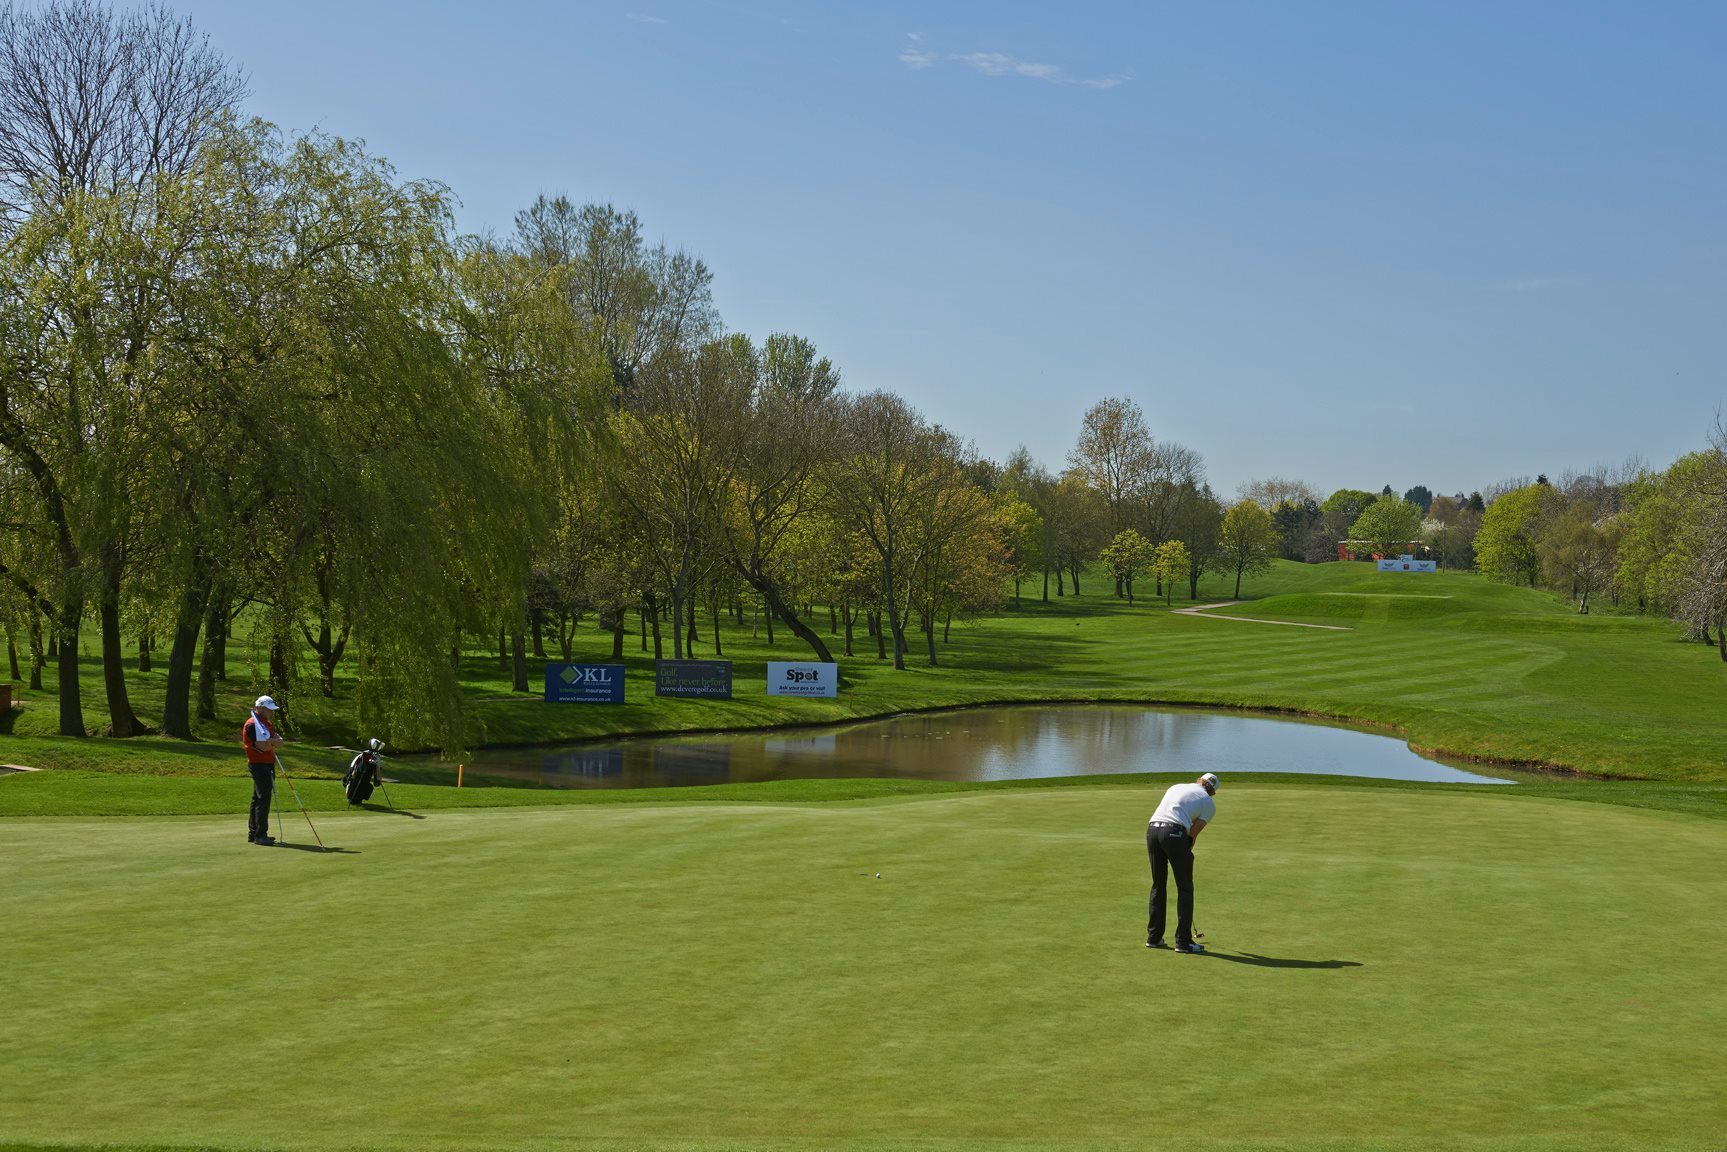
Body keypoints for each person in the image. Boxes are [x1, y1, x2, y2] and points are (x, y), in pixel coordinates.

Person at [1146, 772, 1218, 953]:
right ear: (1213, 793)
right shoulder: (1209, 803)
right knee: (1185, 888)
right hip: (1174, 832)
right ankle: (1183, 942)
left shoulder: (1176, 786)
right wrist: (1186, 853)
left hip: (1152, 830)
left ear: (1198, 780)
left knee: (1158, 885)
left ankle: (1154, 938)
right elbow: (1192, 834)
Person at [242, 696, 285, 845]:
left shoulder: (266, 723)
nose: (271, 712)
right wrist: (273, 742)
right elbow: (263, 747)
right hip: (259, 764)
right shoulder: (253, 725)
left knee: (258, 797)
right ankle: (260, 835)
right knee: (263, 798)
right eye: (268, 709)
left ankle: (254, 833)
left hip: (267, 764)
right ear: (260, 708)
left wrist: (271, 741)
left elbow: (281, 743)